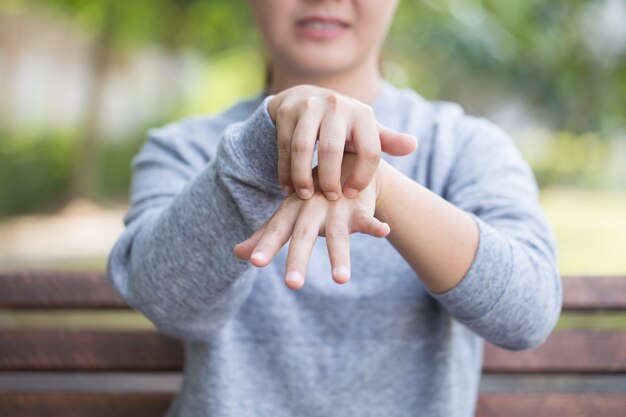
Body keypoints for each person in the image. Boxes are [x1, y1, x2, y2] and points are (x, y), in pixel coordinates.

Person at [107, 1, 562, 416]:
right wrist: (261, 144)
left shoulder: (464, 146)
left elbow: (528, 315)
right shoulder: (183, 149)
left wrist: (373, 178)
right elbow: (169, 305)